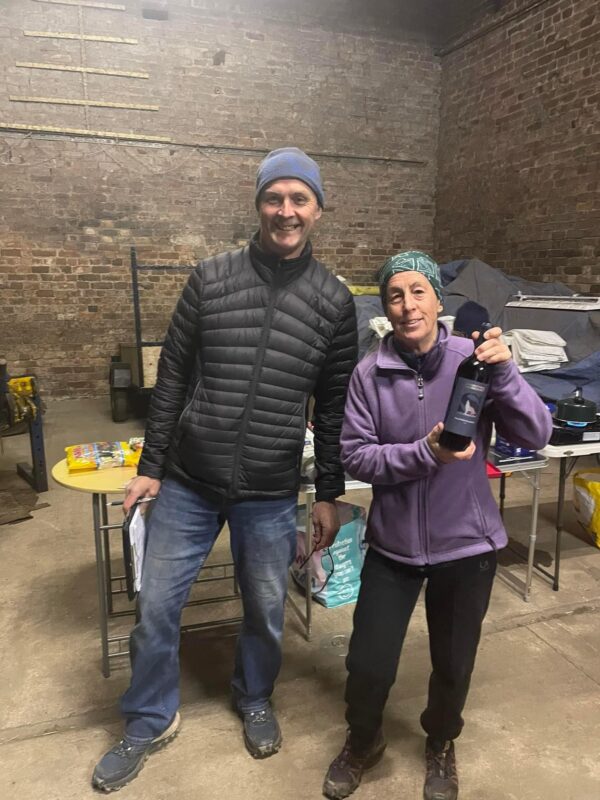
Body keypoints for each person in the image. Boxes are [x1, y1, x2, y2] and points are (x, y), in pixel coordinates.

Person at [92, 147, 358, 792]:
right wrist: (152, 465)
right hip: (189, 480)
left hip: (269, 490)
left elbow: (332, 408)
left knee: (265, 609)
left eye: (299, 199)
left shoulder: (334, 301)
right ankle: (150, 717)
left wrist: (328, 493)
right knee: (157, 606)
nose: (286, 211)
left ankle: (255, 696)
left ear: (318, 210)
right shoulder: (210, 278)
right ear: (258, 204)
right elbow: (172, 377)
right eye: (275, 197)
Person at [322, 250, 551, 800]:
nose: (407, 305)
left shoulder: (474, 359)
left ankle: (442, 742)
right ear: (386, 308)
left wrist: (506, 372)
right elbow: (356, 456)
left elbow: (536, 433)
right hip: (394, 545)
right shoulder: (369, 374)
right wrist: (424, 453)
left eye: (417, 291)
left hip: (466, 544)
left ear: (436, 299)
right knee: (368, 662)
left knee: (453, 663)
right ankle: (364, 739)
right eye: (395, 295)